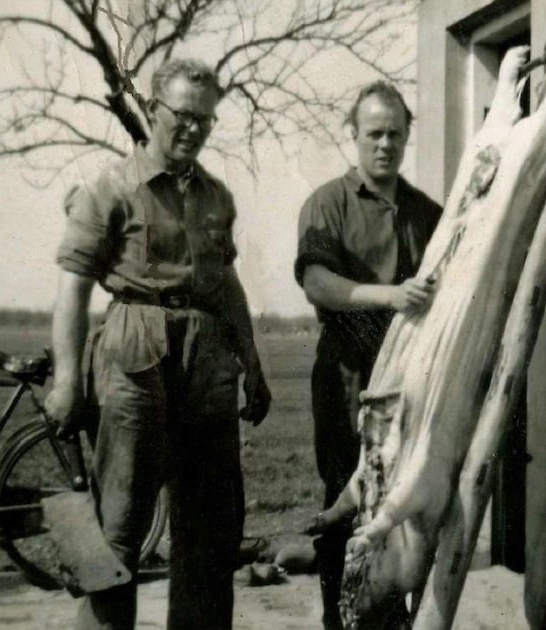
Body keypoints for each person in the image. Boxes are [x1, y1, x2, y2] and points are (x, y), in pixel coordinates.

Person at [44, 58, 271, 630]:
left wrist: (254, 363)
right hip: (133, 361)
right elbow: (72, 290)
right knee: (118, 529)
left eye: (206, 119)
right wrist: (69, 381)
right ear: (152, 111)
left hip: (208, 367)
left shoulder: (217, 196)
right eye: (182, 115)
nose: (193, 128)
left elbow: (229, 285)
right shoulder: (109, 188)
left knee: (210, 530)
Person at [295, 81, 443, 629]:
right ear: (353, 135)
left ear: (407, 138)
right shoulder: (328, 203)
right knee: (347, 498)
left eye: (395, 134)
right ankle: (343, 621)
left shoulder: (427, 212)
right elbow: (316, 282)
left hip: (410, 377)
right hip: (346, 373)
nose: (385, 144)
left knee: (408, 501)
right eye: (375, 133)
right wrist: (390, 295)